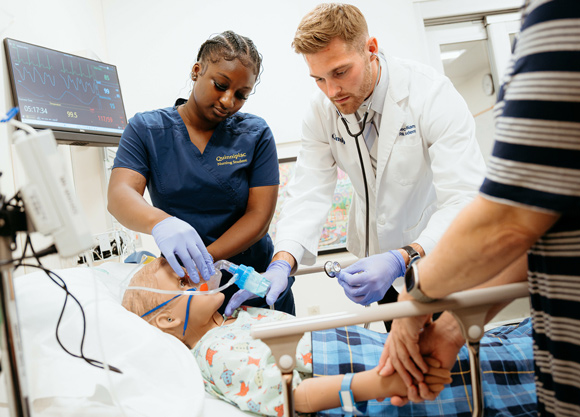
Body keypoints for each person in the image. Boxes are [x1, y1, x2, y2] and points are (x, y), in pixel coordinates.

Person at [226, 3, 486, 324]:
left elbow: (464, 197)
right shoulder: (322, 110)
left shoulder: (430, 95)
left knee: (450, 364)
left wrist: (404, 256)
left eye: (340, 72)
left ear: (371, 49)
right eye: (318, 78)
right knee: (403, 364)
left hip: (441, 258)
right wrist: (282, 262)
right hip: (385, 274)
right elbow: (309, 192)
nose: (332, 91)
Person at [379, 0, 580, 415]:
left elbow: (508, 220)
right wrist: (453, 324)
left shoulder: (564, 18)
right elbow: (548, 219)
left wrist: (415, 296)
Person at [107, 31, 295, 315]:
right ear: (197, 71)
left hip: (253, 282)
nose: (229, 101)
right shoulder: (147, 130)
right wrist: (161, 223)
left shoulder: (255, 134)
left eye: (242, 95)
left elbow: (259, 217)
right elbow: (120, 194)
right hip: (188, 287)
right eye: (220, 85)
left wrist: (206, 258)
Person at [121, 257, 451, 416]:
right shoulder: (216, 353)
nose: (198, 277)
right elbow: (294, 397)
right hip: (375, 382)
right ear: (167, 318)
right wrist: (388, 383)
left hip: (374, 351)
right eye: (183, 283)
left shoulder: (235, 320)